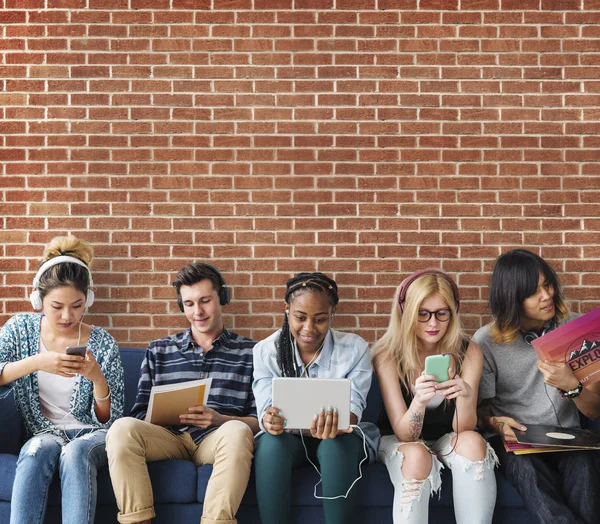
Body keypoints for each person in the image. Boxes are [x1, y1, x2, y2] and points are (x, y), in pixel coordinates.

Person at [105, 262, 258, 524]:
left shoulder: (251, 353)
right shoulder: (158, 350)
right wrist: (162, 414)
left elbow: (258, 421)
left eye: (205, 301)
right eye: (189, 304)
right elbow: (139, 412)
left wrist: (219, 419)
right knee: (121, 428)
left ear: (222, 298)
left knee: (238, 431)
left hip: (217, 440)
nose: (197, 311)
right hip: (169, 439)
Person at [0, 235, 124, 524]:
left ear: (88, 300)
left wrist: (97, 378)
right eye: (57, 306)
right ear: (38, 298)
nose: (68, 316)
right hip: (44, 434)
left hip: (91, 434)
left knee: (76, 453)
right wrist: (37, 362)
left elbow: (110, 419)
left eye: (77, 306)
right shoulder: (20, 329)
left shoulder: (103, 343)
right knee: (35, 451)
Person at [475, 249, 600, 524]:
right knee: (526, 470)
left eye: (547, 284)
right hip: (517, 445)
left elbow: (594, 411)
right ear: (513, 300)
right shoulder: (485, 342)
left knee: (585, 467)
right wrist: (496, 423)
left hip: (569, 438)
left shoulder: (575, 329)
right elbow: (479, 413)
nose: (547, 296)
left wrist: (573, 386)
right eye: (533, 292)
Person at [373, 269, 498, 524]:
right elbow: (405, 434)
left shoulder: (468, 351)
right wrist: (418, 400)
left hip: (446, 437)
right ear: (407, 313)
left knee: (474, 442)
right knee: (418, 454)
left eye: (442, 314)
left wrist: (464, 395)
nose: (433, 324)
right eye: (423, 314)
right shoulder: (388, 354)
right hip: (399, 439)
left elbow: (463, 429)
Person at [252, 272, 377, 524]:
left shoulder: (355, 349)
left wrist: (340, 421)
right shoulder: (266, 351)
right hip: (289, 439)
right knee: (270, 446)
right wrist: (270, 420)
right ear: (287, 310)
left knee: (334, 447)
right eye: (300, 317)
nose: (309, 328)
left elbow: (353, 412)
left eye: (320, 319)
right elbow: (266, 409)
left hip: (340, 439)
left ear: (332, 314)